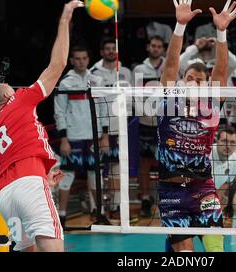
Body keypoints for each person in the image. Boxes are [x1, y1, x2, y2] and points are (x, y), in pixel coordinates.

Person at [0, 0, 85, 252]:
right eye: (11, 89)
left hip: (6, 198)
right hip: (29, 186)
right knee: (52, 247)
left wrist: (43, 176)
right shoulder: (20, 100)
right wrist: (64, 20)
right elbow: (58, 64)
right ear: (8, 96)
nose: (16, 90)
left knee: (26, 248)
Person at [157, 0, 236, 252]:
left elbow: (222, 71)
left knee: (216, 250)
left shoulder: (212, 105)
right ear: (182, 81)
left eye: (200, 81)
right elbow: (170, 66)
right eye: (189, 78)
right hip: (171, 191)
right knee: (186, 254)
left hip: (203, 187)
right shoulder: (168, 101)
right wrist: (180, 26)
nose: (193, 83)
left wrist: (222, 33)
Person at [54, 45, 107, 228]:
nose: (81, 61)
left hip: (94, 137)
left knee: (96, 175)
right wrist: (64, 139)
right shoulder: (66, 83)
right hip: (73, 137)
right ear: (71, 61)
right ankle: (61, 216)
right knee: (66, 176)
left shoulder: (96, 80)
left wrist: (104, 135)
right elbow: (59, 112)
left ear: (88, 59)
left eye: (84, 58)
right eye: (77, 58)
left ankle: (99, 213)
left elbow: (102, 109)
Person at [90, 38, 132, 218]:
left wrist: (126, 119)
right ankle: (96, 208)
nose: (110, 51)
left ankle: (116, 207)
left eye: (113, 49)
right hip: (98, 128)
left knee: (117, 168)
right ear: (101, 52)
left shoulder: (125, 72)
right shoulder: (93, 73)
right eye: (106, 49)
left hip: (119, 127)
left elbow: (129, 99)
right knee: (96, 168)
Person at [132, 35, 166, 217]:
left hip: (165, 123)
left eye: (159, 46)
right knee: (144, 163)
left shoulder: (169, 65)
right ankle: (145, 198)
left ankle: (165, 198)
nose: (156, 49)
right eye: (153, 45)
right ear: (148, 47)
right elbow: (135, 95)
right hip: (146, 123)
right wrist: (143, 112)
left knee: (165, 162)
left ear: (163, 49)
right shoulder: (139, 69)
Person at [210, 127, 236, 226]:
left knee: (217, 234)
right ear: (217, 141)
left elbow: (225, 185)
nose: (228, 146)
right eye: (224, 141)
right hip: (192, 195)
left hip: (209, 200)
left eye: (232, 142)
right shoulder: (206, 154)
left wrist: (216, 209)